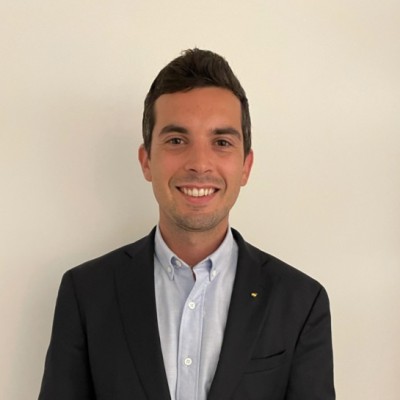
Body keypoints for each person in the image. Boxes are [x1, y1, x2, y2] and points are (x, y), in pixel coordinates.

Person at [38, 48, 335, 400]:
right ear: (146, 161)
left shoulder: (301, 302)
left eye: (221, 142)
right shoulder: (86, 294)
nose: (200, 163)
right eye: (177, 140)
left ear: (246, 167)